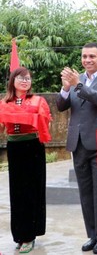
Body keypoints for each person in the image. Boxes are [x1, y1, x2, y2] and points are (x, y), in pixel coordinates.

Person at [56, 42, 97, 254]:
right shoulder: (78, 79)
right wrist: (66, 88)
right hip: (78, 142)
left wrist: (78, 85)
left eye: (92, 56)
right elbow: (60, 105)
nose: (87, 60)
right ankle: (92, 235)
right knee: (85, 192)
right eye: (84, 56)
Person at [0, 67, 51, 253]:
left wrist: (36, 118)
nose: (24, 81)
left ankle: (30, 236)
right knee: (17, 192)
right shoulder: (4, 102)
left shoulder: (38, 100)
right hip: (14, 148)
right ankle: (19, 235)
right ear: (12, 81)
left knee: (32, 191)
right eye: (20, 77)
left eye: (28, 78)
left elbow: (46, 124)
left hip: (33, 147)